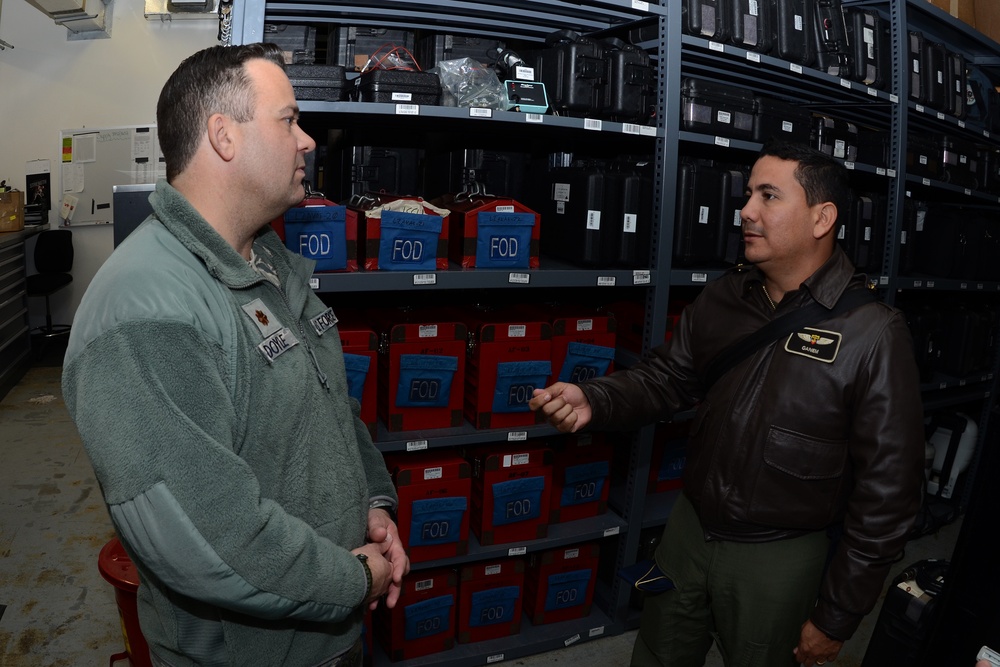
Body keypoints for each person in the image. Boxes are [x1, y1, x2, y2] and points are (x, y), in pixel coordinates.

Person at [62, 43, 408, 667]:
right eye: (288, 119)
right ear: (223, 136)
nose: (306, 141)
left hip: (330, 633)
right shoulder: (147, 312)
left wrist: (373, 506)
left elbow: (331, 412)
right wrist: (352, 581)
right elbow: (211, 539)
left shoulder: (271, 263)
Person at [530, 141, 926, 667]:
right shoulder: (724, 297)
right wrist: (595, 399)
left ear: (821, 217)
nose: (745, 211)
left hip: (778, 556)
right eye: (747, 195)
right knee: (658, 652)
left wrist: (837, 614)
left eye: (768, 195)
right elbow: (667, 379)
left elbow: (889, 493)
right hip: (688, 532)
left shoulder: (873, 333)